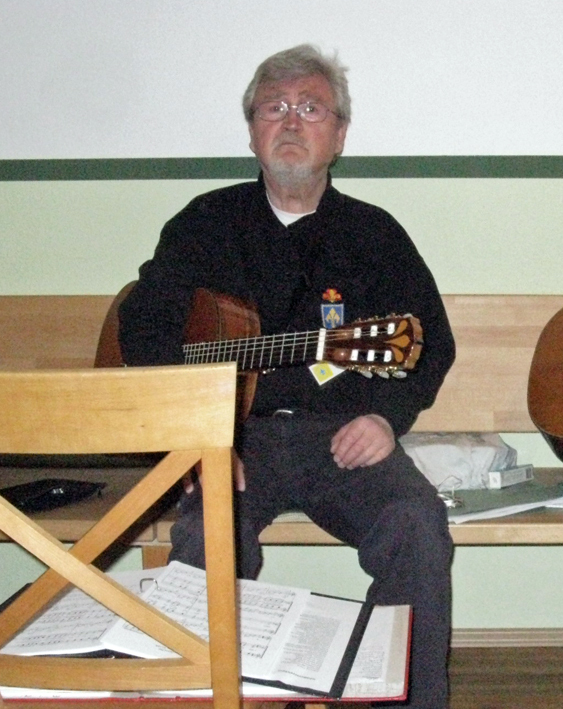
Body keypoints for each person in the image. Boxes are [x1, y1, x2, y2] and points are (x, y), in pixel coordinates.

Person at [119, 44, 456, 708]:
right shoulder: (203, 223)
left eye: (311, 108)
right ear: (252, 131)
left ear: (339, 134)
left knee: (416, 524)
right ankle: (201, 694)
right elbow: (143, 332)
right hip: (232, 438)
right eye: (274, 108)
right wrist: (197, 436)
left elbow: (429, 342)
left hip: (344, 436)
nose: (292, 121)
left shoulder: (374, 234)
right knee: (207, 536)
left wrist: (385, 417)